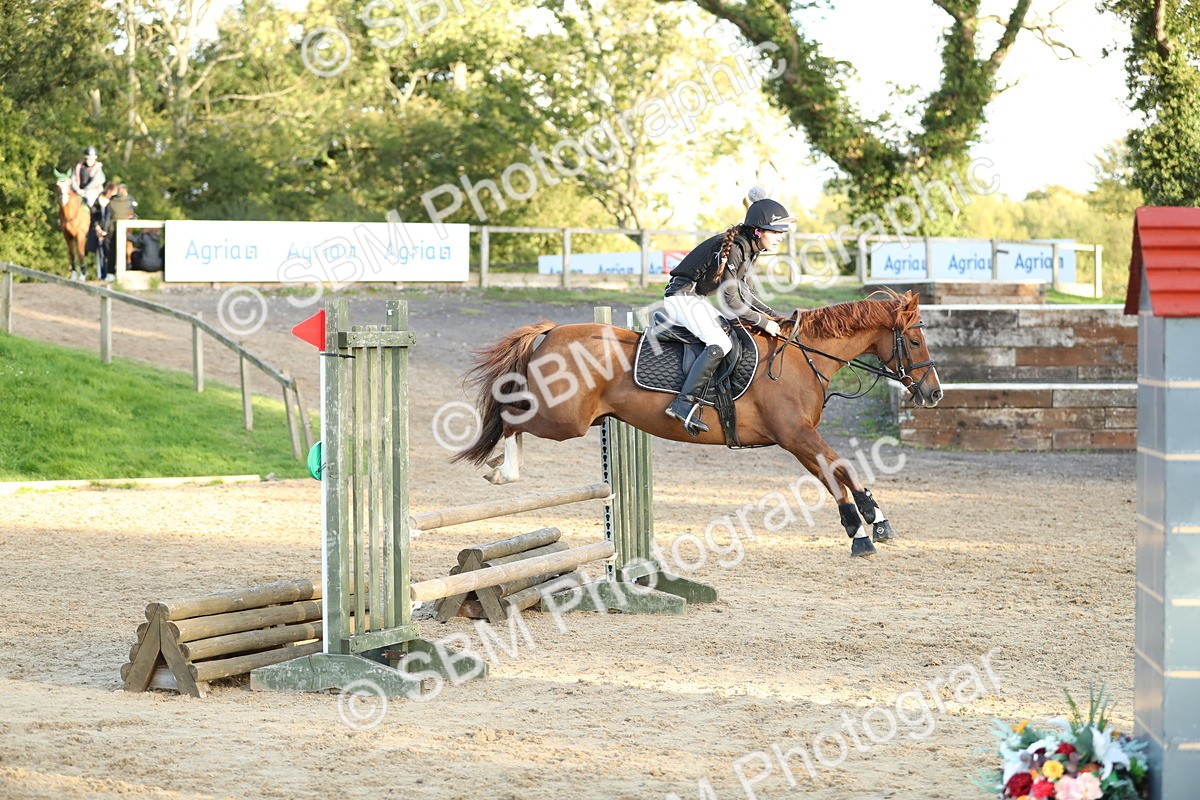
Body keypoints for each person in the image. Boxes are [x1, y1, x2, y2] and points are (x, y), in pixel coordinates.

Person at [661, 187, 796, 434]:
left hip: (695, 299)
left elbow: (746, 293)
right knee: (720, 343)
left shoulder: (748, 249)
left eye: (782, 233)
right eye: (775, 232)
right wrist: (764, 323)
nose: (779, 237)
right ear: (758, 231)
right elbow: (732, 302)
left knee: (729, 334)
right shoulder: (734, 247)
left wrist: (774, 315)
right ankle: (683, 403)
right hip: (680, 297)